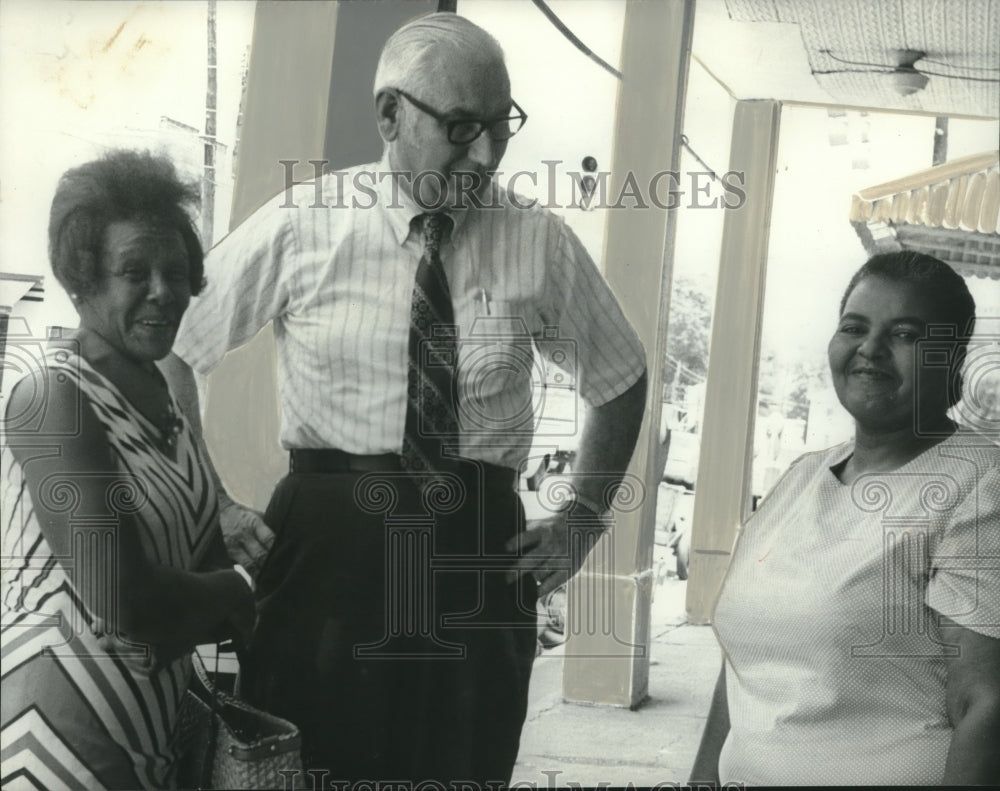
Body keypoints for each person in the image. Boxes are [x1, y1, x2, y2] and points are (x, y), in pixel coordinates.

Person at [163, 11, 647, 786]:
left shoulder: (537, 241)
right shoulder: (305, 221)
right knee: (305, 764)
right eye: (461, 127)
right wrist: (211, 503)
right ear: (390, 114)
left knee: (463, 764)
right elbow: (175, 349)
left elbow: (621, 377)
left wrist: (583, 519)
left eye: (500, 126)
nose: (484, 153)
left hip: (477, 548)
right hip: (327, 546)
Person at [690, 251, 1000, 785]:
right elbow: (743, 669)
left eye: (905, 334)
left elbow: (984, 703)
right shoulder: (801, 477)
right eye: (854, 327)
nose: (870, 350)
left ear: (952, 358)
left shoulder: (979, 484)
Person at [0, 150, 256, 790]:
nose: (163, 291)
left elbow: (194, 559)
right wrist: (240, 590)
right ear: (82, 278)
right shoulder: (50, 397)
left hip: (148, 730)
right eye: (133, 272)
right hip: (57, 734)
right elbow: (123, 599)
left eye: (175, 271)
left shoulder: (165, 397)